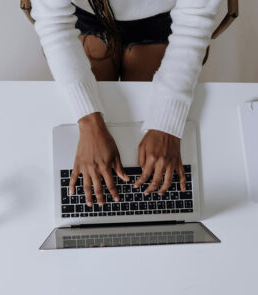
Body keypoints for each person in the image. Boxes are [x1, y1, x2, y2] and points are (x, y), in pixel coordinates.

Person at [31, 0, 220, 207]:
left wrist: (166, 126)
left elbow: (195, 20)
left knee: (147, 161)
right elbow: (53, 22)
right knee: (93, 157)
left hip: (161, 16)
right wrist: (89, 123)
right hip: (88, 14)